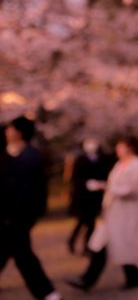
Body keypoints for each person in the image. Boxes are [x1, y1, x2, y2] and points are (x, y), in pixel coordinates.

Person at [67, 136, 138, 291]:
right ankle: (87, 280)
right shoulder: (119, 164)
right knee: (101, 244)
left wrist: (105, 187)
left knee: (124, 244)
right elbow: (113, 184)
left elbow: (132, 189)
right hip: (112, 211)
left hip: (126, 212)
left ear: (130, 147)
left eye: (120, 146)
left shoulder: (137, 165)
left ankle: (133, 277)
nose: (117, 150)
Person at [0, 116, 62, 300]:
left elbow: (39, 190)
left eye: (11, 129)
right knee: (22, 255)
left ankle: (48, 294)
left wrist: (33, 214)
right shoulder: (2, 155)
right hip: (2, 216)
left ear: (19, 132)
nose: (7, 132)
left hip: (20, 217)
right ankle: (48, 294)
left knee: (22, 255)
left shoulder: (33, 157)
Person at [68, 138, 110, 255]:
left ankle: (87, 245)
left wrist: (100, 184)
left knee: (91, 223)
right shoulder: (80, 160)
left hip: (95, 198)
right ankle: (72, 241)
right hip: (82, 198)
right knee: (82, 221)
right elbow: (75, 179)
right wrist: (87, 183)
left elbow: (105, 174)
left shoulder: (101, 159)